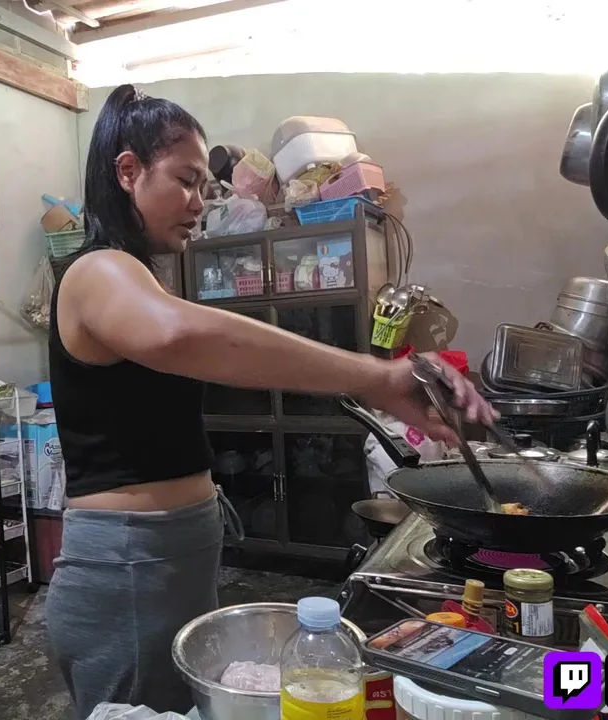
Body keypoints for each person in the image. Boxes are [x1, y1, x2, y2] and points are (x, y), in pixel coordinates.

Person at [46, 84, 497, 718]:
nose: (199, 203)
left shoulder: (138, 277)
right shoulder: (97, 271)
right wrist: (374, 377)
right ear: (128, 171)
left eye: (205, 186)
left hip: (162, 559)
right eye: (185, 180)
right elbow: (180, 336)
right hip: (128, 568)